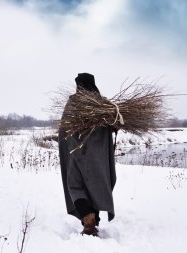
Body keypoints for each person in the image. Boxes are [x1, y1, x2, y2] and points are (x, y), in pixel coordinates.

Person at [58, 73, 117, 236]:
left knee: (76, 186)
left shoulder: (73, 102)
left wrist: (69, 145)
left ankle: (89, 220)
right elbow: (112, 125)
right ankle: (92, 220)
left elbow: (64, 130)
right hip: (98, 158)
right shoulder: (103, 103)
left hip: (76, 154)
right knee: (95, 186)